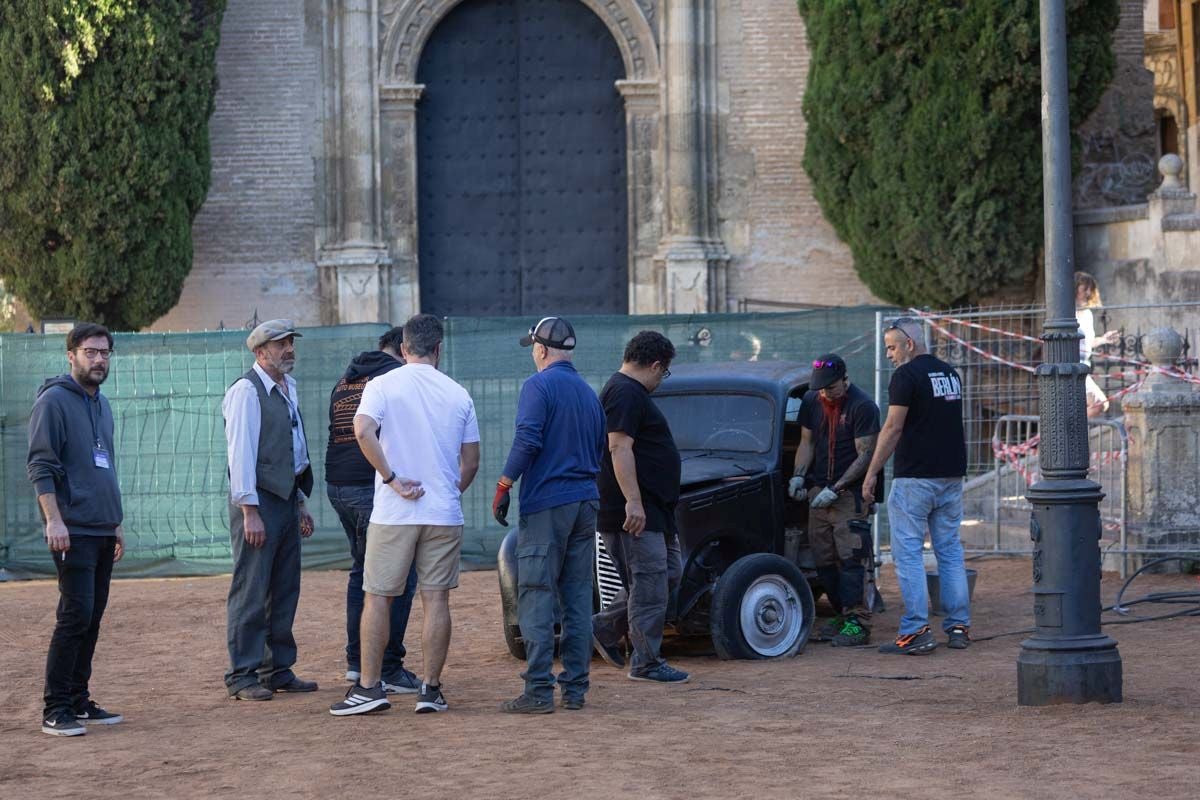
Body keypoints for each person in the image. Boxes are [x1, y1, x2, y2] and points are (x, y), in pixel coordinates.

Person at [330, 314, 480, 717]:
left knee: (377, 597)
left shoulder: (382, 384)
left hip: (395, 512)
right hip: (443, 513)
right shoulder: (458, 393)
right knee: (436, 600)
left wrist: (392, 478)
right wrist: (449, 491)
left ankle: (369, 687)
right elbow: (471, 461)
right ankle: (430, 690)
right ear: (439, 349)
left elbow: (363, 430)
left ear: (403, 349)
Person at [493, 317, 606, 714]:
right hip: (585, 502)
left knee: (537, 594)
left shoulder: (537, 386)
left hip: (548, 504)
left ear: (540, 350)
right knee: (577, 597)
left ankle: (538, 690)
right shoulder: (589, 394)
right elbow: (599, 450)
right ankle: (575, 690)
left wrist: (505, 485)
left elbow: (528, 439)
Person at [29, 323, 126, 736]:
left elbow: (104, 466)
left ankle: (79, 699)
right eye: (91, 352)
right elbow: (41, 465)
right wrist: (54, 519)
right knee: (75, 615)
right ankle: (55, 708)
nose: (99, 360)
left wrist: (116, 523)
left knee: (93, 617)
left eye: (104, 353)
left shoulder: (101, 405)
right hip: (72, 530)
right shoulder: (53, 402)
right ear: (71, 356)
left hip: (103, 528)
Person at [222, 319, 319, 700]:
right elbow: (240, 454)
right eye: (281, 344)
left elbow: (292, 450)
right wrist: (249, 510)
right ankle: (242, 674)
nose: (289, 350)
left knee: (283, 587)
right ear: (260, 352)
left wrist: (299, 501)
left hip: (285, 499)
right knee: (251, 588)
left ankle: (276, 669)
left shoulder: (287, 388)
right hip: (258, 502)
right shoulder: (246, 391)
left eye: (291, 342)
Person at [863, 318, 970, 654]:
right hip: (951, 476)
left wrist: (871, 473)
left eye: (892, 347)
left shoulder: (906, 376)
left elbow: (893, 428)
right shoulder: (950, 374)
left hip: (916, 479)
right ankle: (958, 627)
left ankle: (915, 631)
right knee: (949, 552)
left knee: (908, 554)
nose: (889, 355)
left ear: (909, 343)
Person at [591, 331, 689, 684]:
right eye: (664, 374)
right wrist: (633, 501)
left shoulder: (627, 393)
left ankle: (604, 626)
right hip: (634, 513)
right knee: (648, 585)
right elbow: (618, 447)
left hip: (653, 511)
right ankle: (646, 662)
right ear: (656, 365)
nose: (661, 381)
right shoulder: (625, 393)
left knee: (667, 574)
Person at [325, 326, 419, 694]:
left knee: (361, 574)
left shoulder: (345, 379)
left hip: (339, 488)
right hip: (371, 488)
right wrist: (394, 478)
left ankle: (356, 662)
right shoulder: (393, 378)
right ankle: (389, 667)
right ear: (402, 351)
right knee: (395, 580)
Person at [787, 353, 880, 647]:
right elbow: (807, 442)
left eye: (832, 387)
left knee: (851, 557)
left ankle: (858, 623)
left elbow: (866, 455)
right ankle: (842, 613)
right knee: (824, 559)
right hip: (819, 493)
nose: (827, 393)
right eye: (822, 388)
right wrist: (798, 476)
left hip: (848, 496)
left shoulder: (862, 406)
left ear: (845, 379)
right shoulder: (813, 402)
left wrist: (837, 487)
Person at [1074, 271, 1120, 417]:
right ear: (1075, 289)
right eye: (1085, 288)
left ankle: (1068, 430)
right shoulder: (1067, 313)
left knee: (1101, 404)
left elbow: (1088, 342)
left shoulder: (1087, 314)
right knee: (1099, 403)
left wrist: (1104, 339)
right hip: (1072, 368)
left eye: (1090, 289)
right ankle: (1068, 430)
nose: (1088, 292)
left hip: (1083, 368)